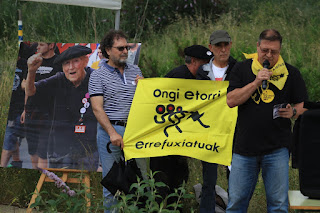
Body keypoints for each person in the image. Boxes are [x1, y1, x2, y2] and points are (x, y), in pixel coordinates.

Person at [226, 29, 308, 212]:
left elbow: (304, 105)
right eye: (265, 50)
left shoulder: (290, 73)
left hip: (277, 149)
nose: (269, 55)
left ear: (280, 51)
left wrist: (294, 111)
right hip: (244, 149)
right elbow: (231, 100)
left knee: (278, 205)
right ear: (257, 47)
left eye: (274, 52)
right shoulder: (241, 69)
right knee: (236, 203)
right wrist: (256, 82)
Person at [89, 29, 145, 212]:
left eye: (127, 48)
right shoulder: (97, 74)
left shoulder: (135, 70)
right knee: (112, 186)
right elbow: (97, 107)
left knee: (140, 181)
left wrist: (144, 87)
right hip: (111, 132)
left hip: (136, 132)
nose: (125, 52)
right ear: (107, 50)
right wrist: (112, 133)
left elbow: (145, 102)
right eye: (120, 48)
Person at [150, 44, 212, 208]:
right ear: (193, 61)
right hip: (164, 145)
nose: (207, 66)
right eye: (204, 62)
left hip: (181, 146)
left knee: (178, 190)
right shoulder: (178, 76)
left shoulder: (200, 79)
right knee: (160, 188)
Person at [25, 45, 99, 170]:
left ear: (86, 61)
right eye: (66, 63)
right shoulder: (59, 79)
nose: (71, 67)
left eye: (76, 61)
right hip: (61, 150)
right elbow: (31, 91)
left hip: (90, 150)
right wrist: (31, 71)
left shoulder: (96, 78)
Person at [196, 30, 237, 213]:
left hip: (233, 131)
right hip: (209, 131)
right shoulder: (202, 71)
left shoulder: (239, 68)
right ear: (211, 48)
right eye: (218, 46)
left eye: (226, 45)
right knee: (209, 180)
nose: (223, 49)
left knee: (235, 180)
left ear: (230, 44)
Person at [21, 42, 62, 169]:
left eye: (41, 44)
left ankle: (44, 178)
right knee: (32, 149)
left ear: (51, 45)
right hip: (31, 109)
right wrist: (24, 108)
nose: (37, 47)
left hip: (49, 111)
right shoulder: (34, 61)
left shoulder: (59, 62)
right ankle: (35, 176)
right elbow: (24, 85)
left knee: (42, 151)